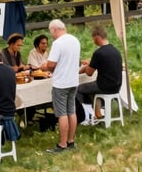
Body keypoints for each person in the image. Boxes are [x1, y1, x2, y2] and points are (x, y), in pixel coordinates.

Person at [40, 19, 81, 153]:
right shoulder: (75, 40)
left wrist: (44, 66)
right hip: (73, 81)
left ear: (55, 29)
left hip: (61, 83)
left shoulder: (58, 43)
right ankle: (71, 141)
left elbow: (51, 64)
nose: (51, 34)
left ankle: (62, 144)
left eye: (51, 31)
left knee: (62, 113)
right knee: (71, 111)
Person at [76, 26, 122, 120]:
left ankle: (85, 114)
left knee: (77, 89)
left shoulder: (99, 53)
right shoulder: (116, 51)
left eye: (93, 38)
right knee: (92, 90)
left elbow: (89, 73)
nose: (93, 41)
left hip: (103, 86)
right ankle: (98, 114)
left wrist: (83, 68)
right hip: (116, 86)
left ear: (97, 37)